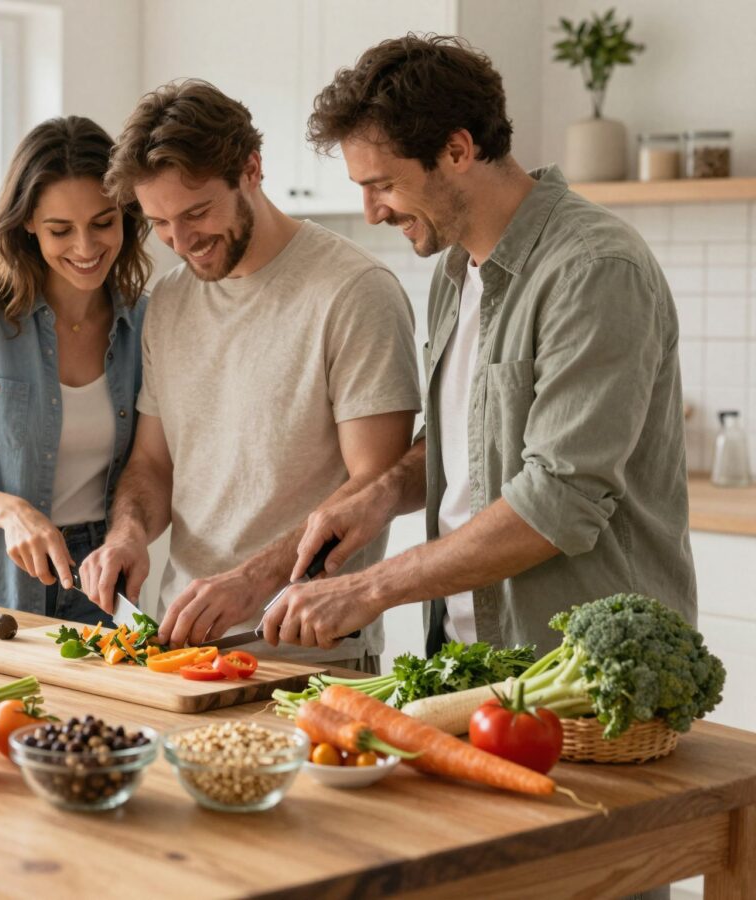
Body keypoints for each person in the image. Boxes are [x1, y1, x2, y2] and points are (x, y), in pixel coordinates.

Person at [269, 36, 695, 680]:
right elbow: (473, 445)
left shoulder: (593, 268)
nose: (372, 210)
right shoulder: (455, 272)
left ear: (458, 150)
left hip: (585, 674)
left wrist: (369, 589)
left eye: (383, 185)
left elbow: (560, 498)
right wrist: (383, 493)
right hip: (472, 658)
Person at [78, 80, 421, 671]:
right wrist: (127, 534)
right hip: (180, 649)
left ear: (251, 170)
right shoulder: (171, 300)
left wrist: (250, 581)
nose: (182, 242)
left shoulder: (354, 292)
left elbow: (375, 484)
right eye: (159, 222)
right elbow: (154, 464)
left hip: (311, 659)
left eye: (196, 212)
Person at [0, 116, 152, 625]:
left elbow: (151, 465)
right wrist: (12, 512)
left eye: (103, 223)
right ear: (28, 224)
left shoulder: (144, 322)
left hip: (101, 586)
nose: (85, 248)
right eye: (61, 230)